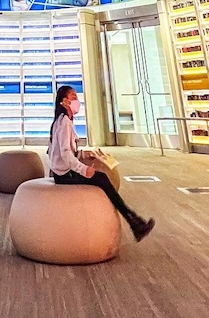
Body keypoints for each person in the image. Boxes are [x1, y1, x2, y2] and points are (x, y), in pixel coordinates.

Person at [49, 85, 155, 242]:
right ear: (64, 102)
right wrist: (83, 169)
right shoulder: (64, 122)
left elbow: (64, 151)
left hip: (62, 171)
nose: (77, 101)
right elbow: (64, 154)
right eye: (73, 97)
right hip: (64, 175)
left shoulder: (64, 121)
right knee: (102, 179)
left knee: (102, 179)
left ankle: (134, 221)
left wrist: (86, 154)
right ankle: (134, 222)